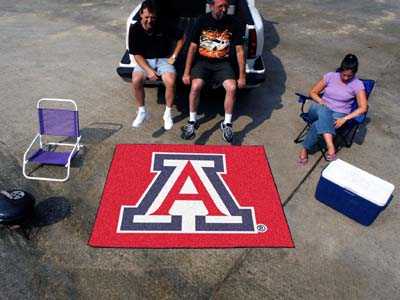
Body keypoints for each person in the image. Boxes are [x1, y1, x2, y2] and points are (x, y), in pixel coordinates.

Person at [181, 0, 246, 143]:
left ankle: (227, 124)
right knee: (195, 86)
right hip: (202, 62)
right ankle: (192, 122)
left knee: (232, 87)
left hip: (223, 63)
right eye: (220, 6)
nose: (223, 10)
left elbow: (240, 51)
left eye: (226, 7)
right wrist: (186, 72)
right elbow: (192, 48)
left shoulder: (233, 22)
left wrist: (242, 76)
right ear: (211, 6)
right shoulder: (201, 21)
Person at [298, 54, 368, 164]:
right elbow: (312, 92)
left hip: (338, 114)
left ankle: (304, 149)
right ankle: (330, 145)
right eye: (343, 74)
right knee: (323, 109)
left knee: (317, 124)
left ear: (354, 73)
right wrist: (321, 101)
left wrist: (345, 118)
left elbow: (363, 108)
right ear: (340, 69)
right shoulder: (330, 76)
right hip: (318, 109)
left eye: (349, 76)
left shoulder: (357, 85)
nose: (345, 78)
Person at [129, 0, 184, 130]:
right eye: (147, 17)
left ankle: (167, 114)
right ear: (141, 14)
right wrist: (148, 71)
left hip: (163, 59)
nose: (149, 20)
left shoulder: (163, 24)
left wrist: (174, 55)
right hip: (144, 60)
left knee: (170, 82)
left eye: (153, 17)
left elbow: (182, 38)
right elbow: (136, 54)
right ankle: (142, 111)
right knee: (136, 80)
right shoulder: (135, 28)